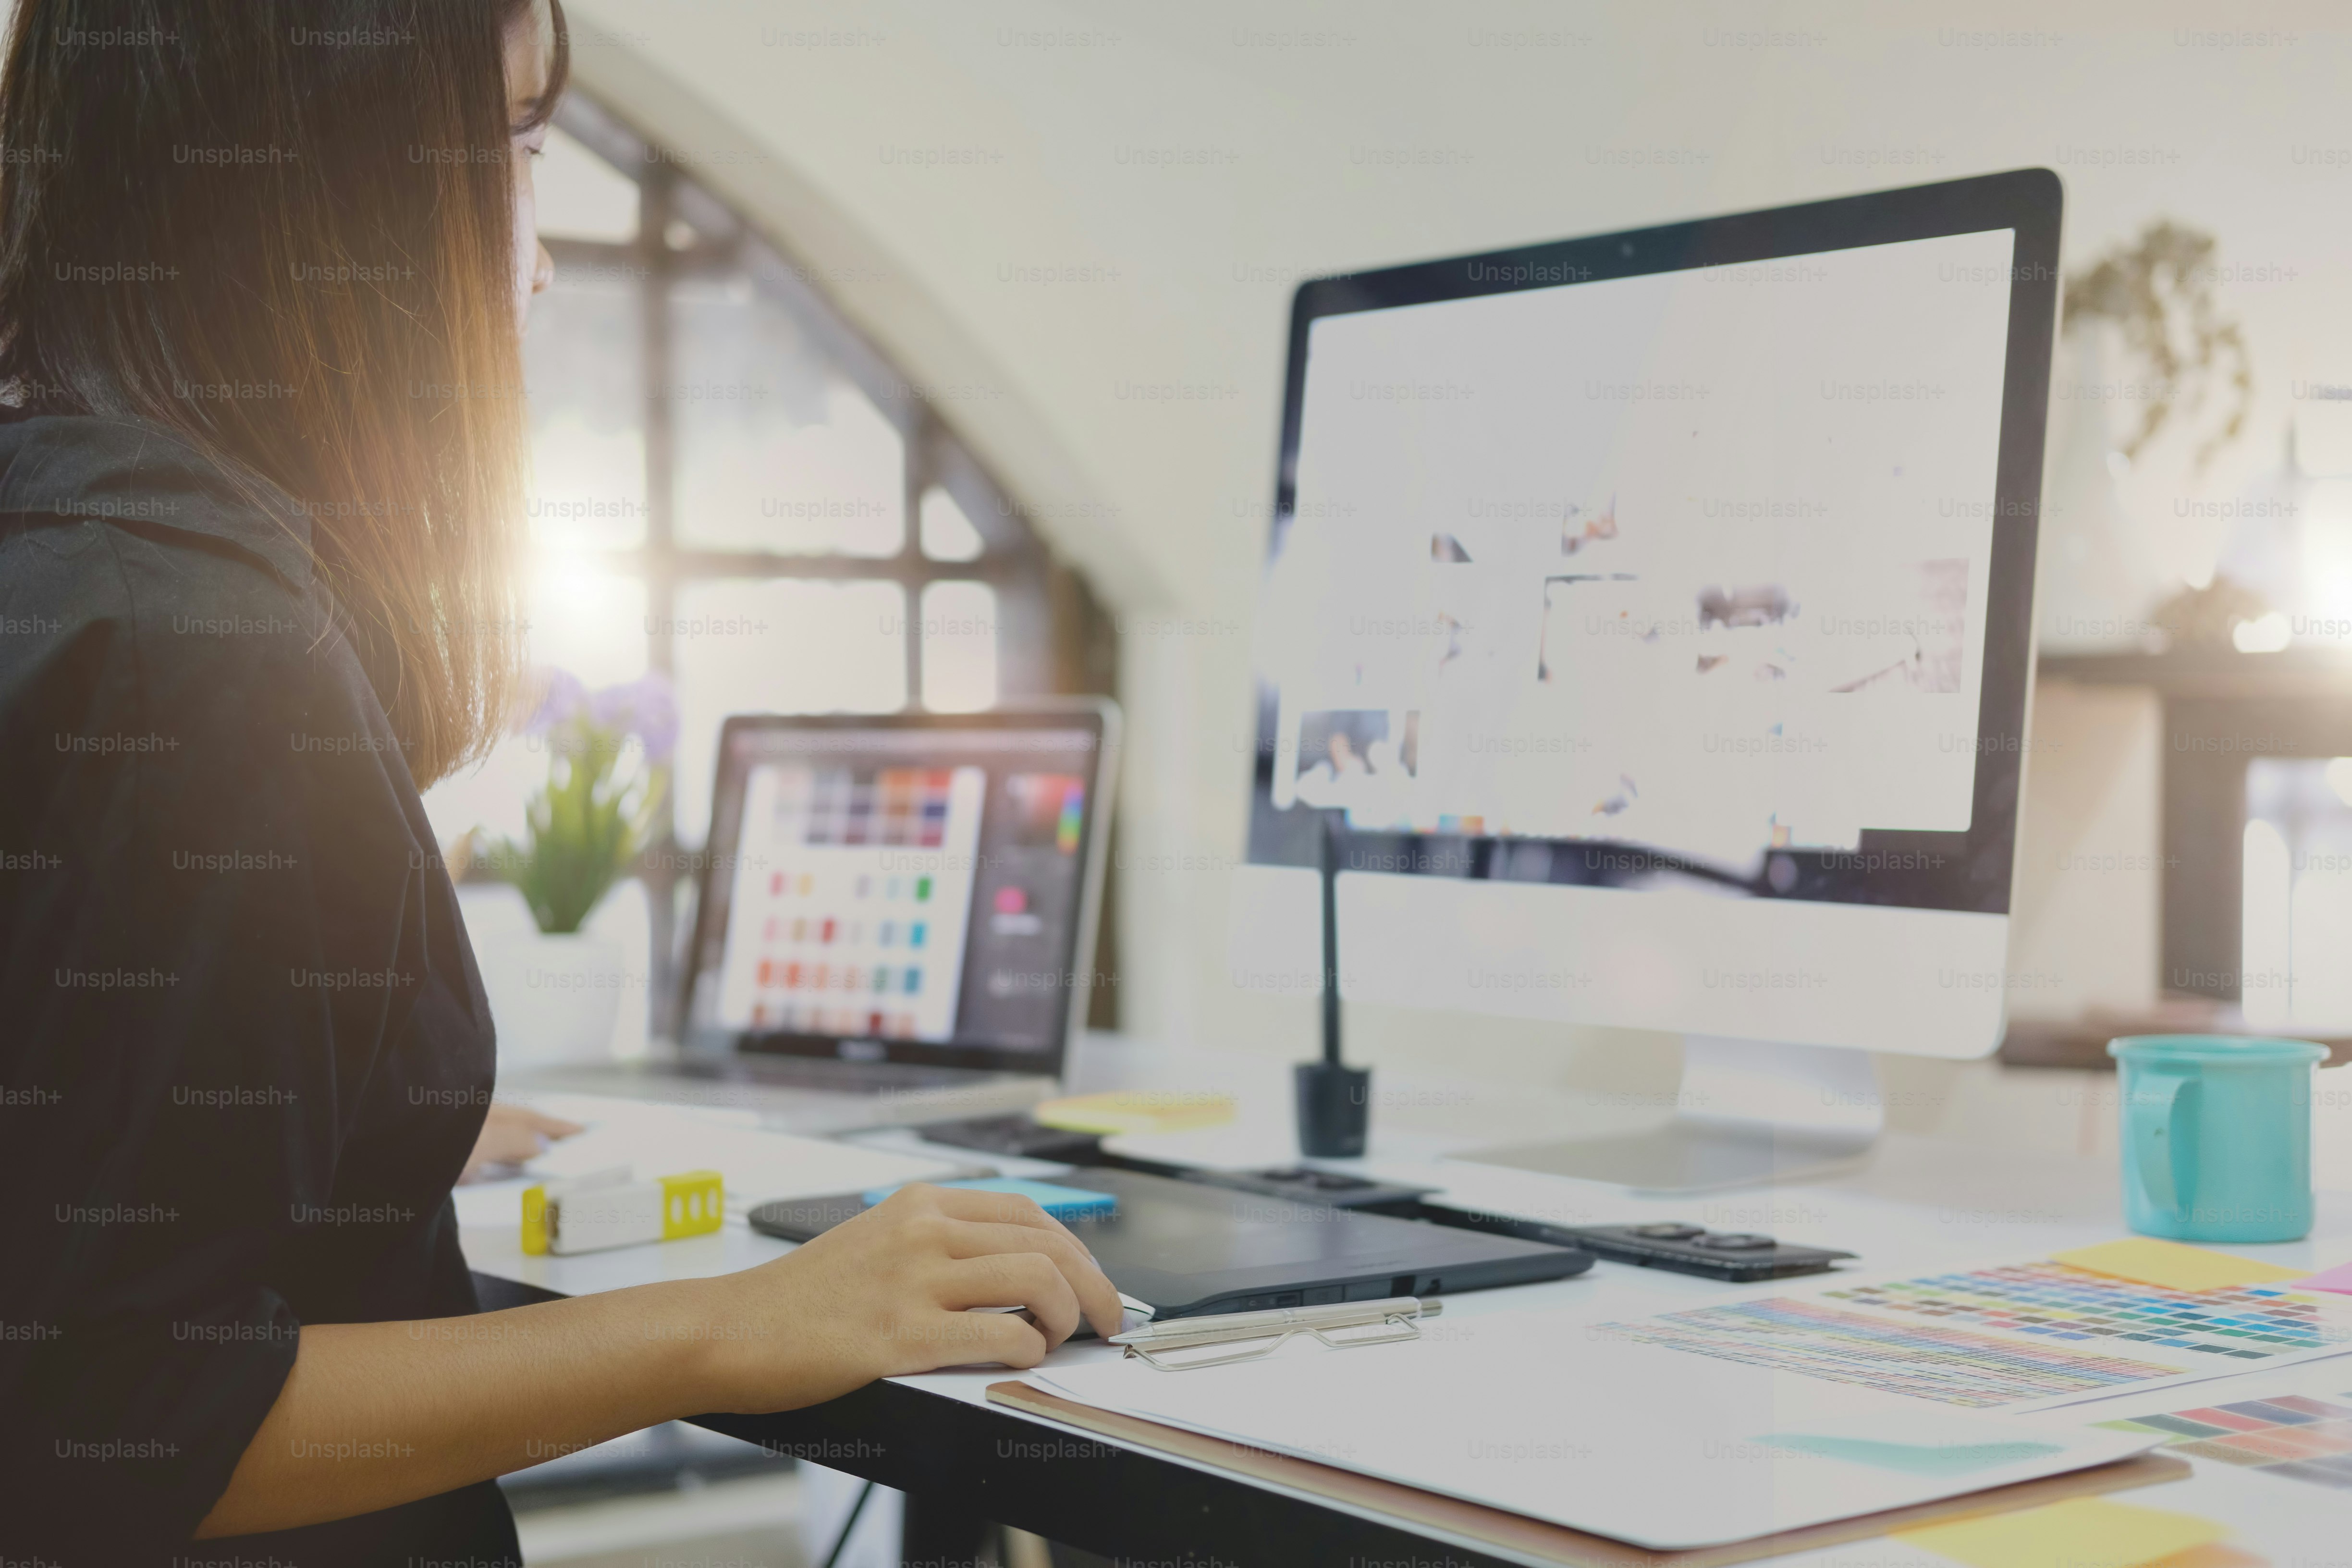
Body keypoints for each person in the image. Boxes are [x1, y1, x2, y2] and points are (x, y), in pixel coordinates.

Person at [0, 5, 1118, 1566]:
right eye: (518, 143)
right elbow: (108, 1426)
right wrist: (736, 1323)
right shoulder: (195, 654)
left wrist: (328, 1122)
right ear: (328, 179)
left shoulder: (65, 529)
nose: (537, 256)